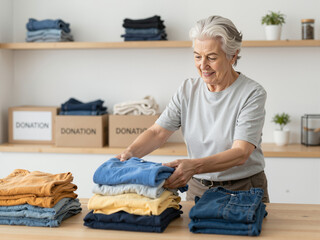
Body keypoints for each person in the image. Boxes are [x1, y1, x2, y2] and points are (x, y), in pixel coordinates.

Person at [116, 15, 269, 203]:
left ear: (233, 56)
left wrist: (194, 166)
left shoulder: (252, 93)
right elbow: (157, 133)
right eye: (197, 56)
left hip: (243, 189)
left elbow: (241, 153)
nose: (202, 65)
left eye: (211, 57)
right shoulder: (188, 89)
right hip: (197, 188)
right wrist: (130, 154)